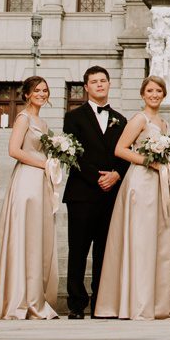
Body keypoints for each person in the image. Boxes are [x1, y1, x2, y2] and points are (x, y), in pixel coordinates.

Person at [0, 75, 62, 319]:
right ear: (26, 94)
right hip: (26, 180)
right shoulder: (23, 118)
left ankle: (34, 296)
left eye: (45, 90)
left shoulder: (43, 123)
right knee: (24, 234)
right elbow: (14, 150)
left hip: (41, 182)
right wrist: (44, 162)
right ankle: (17, 297)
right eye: (37, 90)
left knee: (37, 236)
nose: (42, 94)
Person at [94, 75, 170, 319]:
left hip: (158, 184)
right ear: (143, 94)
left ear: (164, 95)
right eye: (150, 90)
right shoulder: (139, 119)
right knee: (140, 239)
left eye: (159, 91)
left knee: (156, 240)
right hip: (140, 182)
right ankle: (136, 302)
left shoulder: (163, 123)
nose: (154, 95)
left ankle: (156, 303)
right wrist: (149, 162)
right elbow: (120, 149)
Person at [61, 65, 126, 318]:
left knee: (104, 250)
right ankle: (76, 304)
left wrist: (116, 174)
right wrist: (96, 178)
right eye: (94, 82)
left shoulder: (120, 119)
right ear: (86, 87)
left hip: (111, 193)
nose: (99, 85)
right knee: (78, 249)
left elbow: (125, 152)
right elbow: (72, 152)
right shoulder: (73, 117)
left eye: (103, 81)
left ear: (109, 85)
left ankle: (101, 301)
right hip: (82, 192)